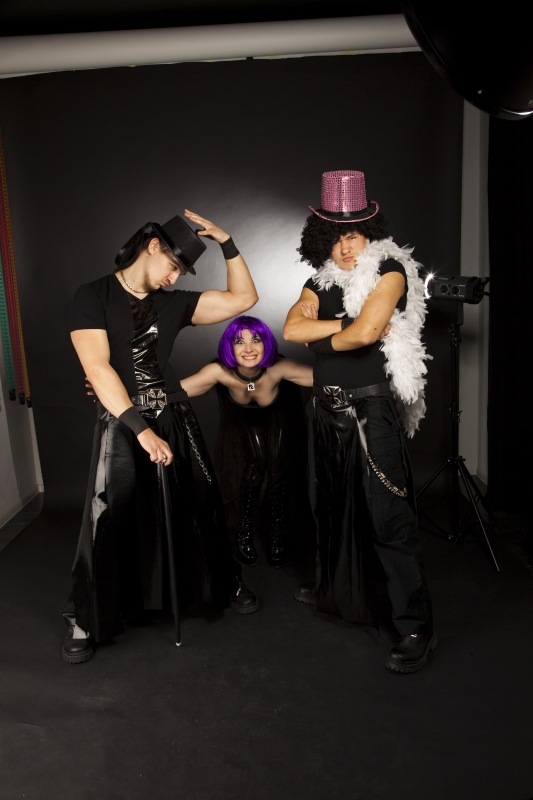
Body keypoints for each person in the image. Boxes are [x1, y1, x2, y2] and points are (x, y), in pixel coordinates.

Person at [62, 209, 260, 664]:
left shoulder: (175, 304)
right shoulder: (92, 295)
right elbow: (98, 368)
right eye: (172, 266)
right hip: (122, 420)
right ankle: (84, 617)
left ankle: (226, 584)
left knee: (203, 499)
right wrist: (141, 430)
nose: (174, 278)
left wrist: (227, 242)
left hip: (173, 413)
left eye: (180, 273)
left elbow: (244, 298)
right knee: (107, 514)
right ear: (153, 246)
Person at [283, 170, 436, 674]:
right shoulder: (318, 280)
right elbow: (292, 328)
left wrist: (328, 335)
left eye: (353, 235)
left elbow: (368, 334)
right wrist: (347, 329)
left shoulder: (391, 270)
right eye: (335, 238)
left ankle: (415, 625)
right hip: (325, 411)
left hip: (371, 411)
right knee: (329, 505)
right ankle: (337, 588)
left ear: (369, 233)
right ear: (321, 241)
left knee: (387, 516)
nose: (346, 248)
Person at [180, 315, 313, 569]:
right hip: (240, 426)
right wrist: (121, 398)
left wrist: (317, 343)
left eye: (256, 340)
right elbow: (174, 392)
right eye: (240, 342)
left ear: (266, 344)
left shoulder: (278, 368)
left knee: (276, 457)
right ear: (229, 347)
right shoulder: (219, 371)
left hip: (280, 421)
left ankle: (278, 526)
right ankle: (243, 526)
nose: (249, 349)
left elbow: (329, 377)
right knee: (254, 460)